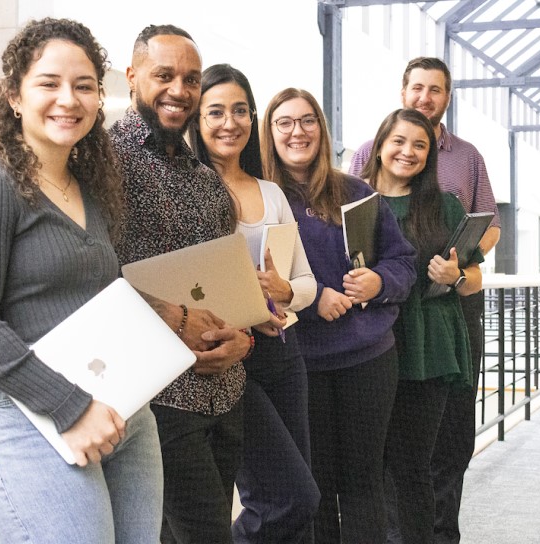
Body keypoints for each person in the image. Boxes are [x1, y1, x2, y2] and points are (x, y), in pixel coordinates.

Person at [0, 18, 162, 543]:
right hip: (32, 416)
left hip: (121, 411)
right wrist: (71, 407)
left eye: (84, 86)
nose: (69, 98)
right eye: (49, 83)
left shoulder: (90, 188)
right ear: (15, 96)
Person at [110, 25, 253, 544]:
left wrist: (244, 337)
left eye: (191, 79)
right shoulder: (101, 163)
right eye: (163, 75)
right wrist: (173, 318)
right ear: (132, 77)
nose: (179, 90)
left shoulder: (203, 177)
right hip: (158, 400)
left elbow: (228, 283)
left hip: (224, 391)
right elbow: (92, 279)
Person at [349, 57, 500, 543]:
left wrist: (457, 276)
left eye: (419, 146)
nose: (407, 152)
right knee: (368, 470)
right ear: (378, 147)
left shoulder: (446, 203)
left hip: (429, 349)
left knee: (413, 468)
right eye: (398, 142)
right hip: (368, 347)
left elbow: (475, 275)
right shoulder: (352, 199)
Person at [261, 87, 417, 543]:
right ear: (269, 132)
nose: (297, 131)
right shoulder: (263, 197)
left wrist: (379, 283)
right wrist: (315, 297)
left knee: (364, 484)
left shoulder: (355, 191)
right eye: (284, 122)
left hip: (367, 358)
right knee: (316, 488)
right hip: (299, 363)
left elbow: (402, 262)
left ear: (321, 129)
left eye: (307, 120)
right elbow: (257, 278)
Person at [188, 64, 321, 543]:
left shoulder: (271, 192)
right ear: (197, 120)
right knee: (289, 497)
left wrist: (287, 296)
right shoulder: (190, 189)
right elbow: (190, 285)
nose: (230, 123)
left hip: (284, 355)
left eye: (241, 111)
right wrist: (251, 309)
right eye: (217, 111)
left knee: (301, 510)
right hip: (232, 358)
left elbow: (303, 281)